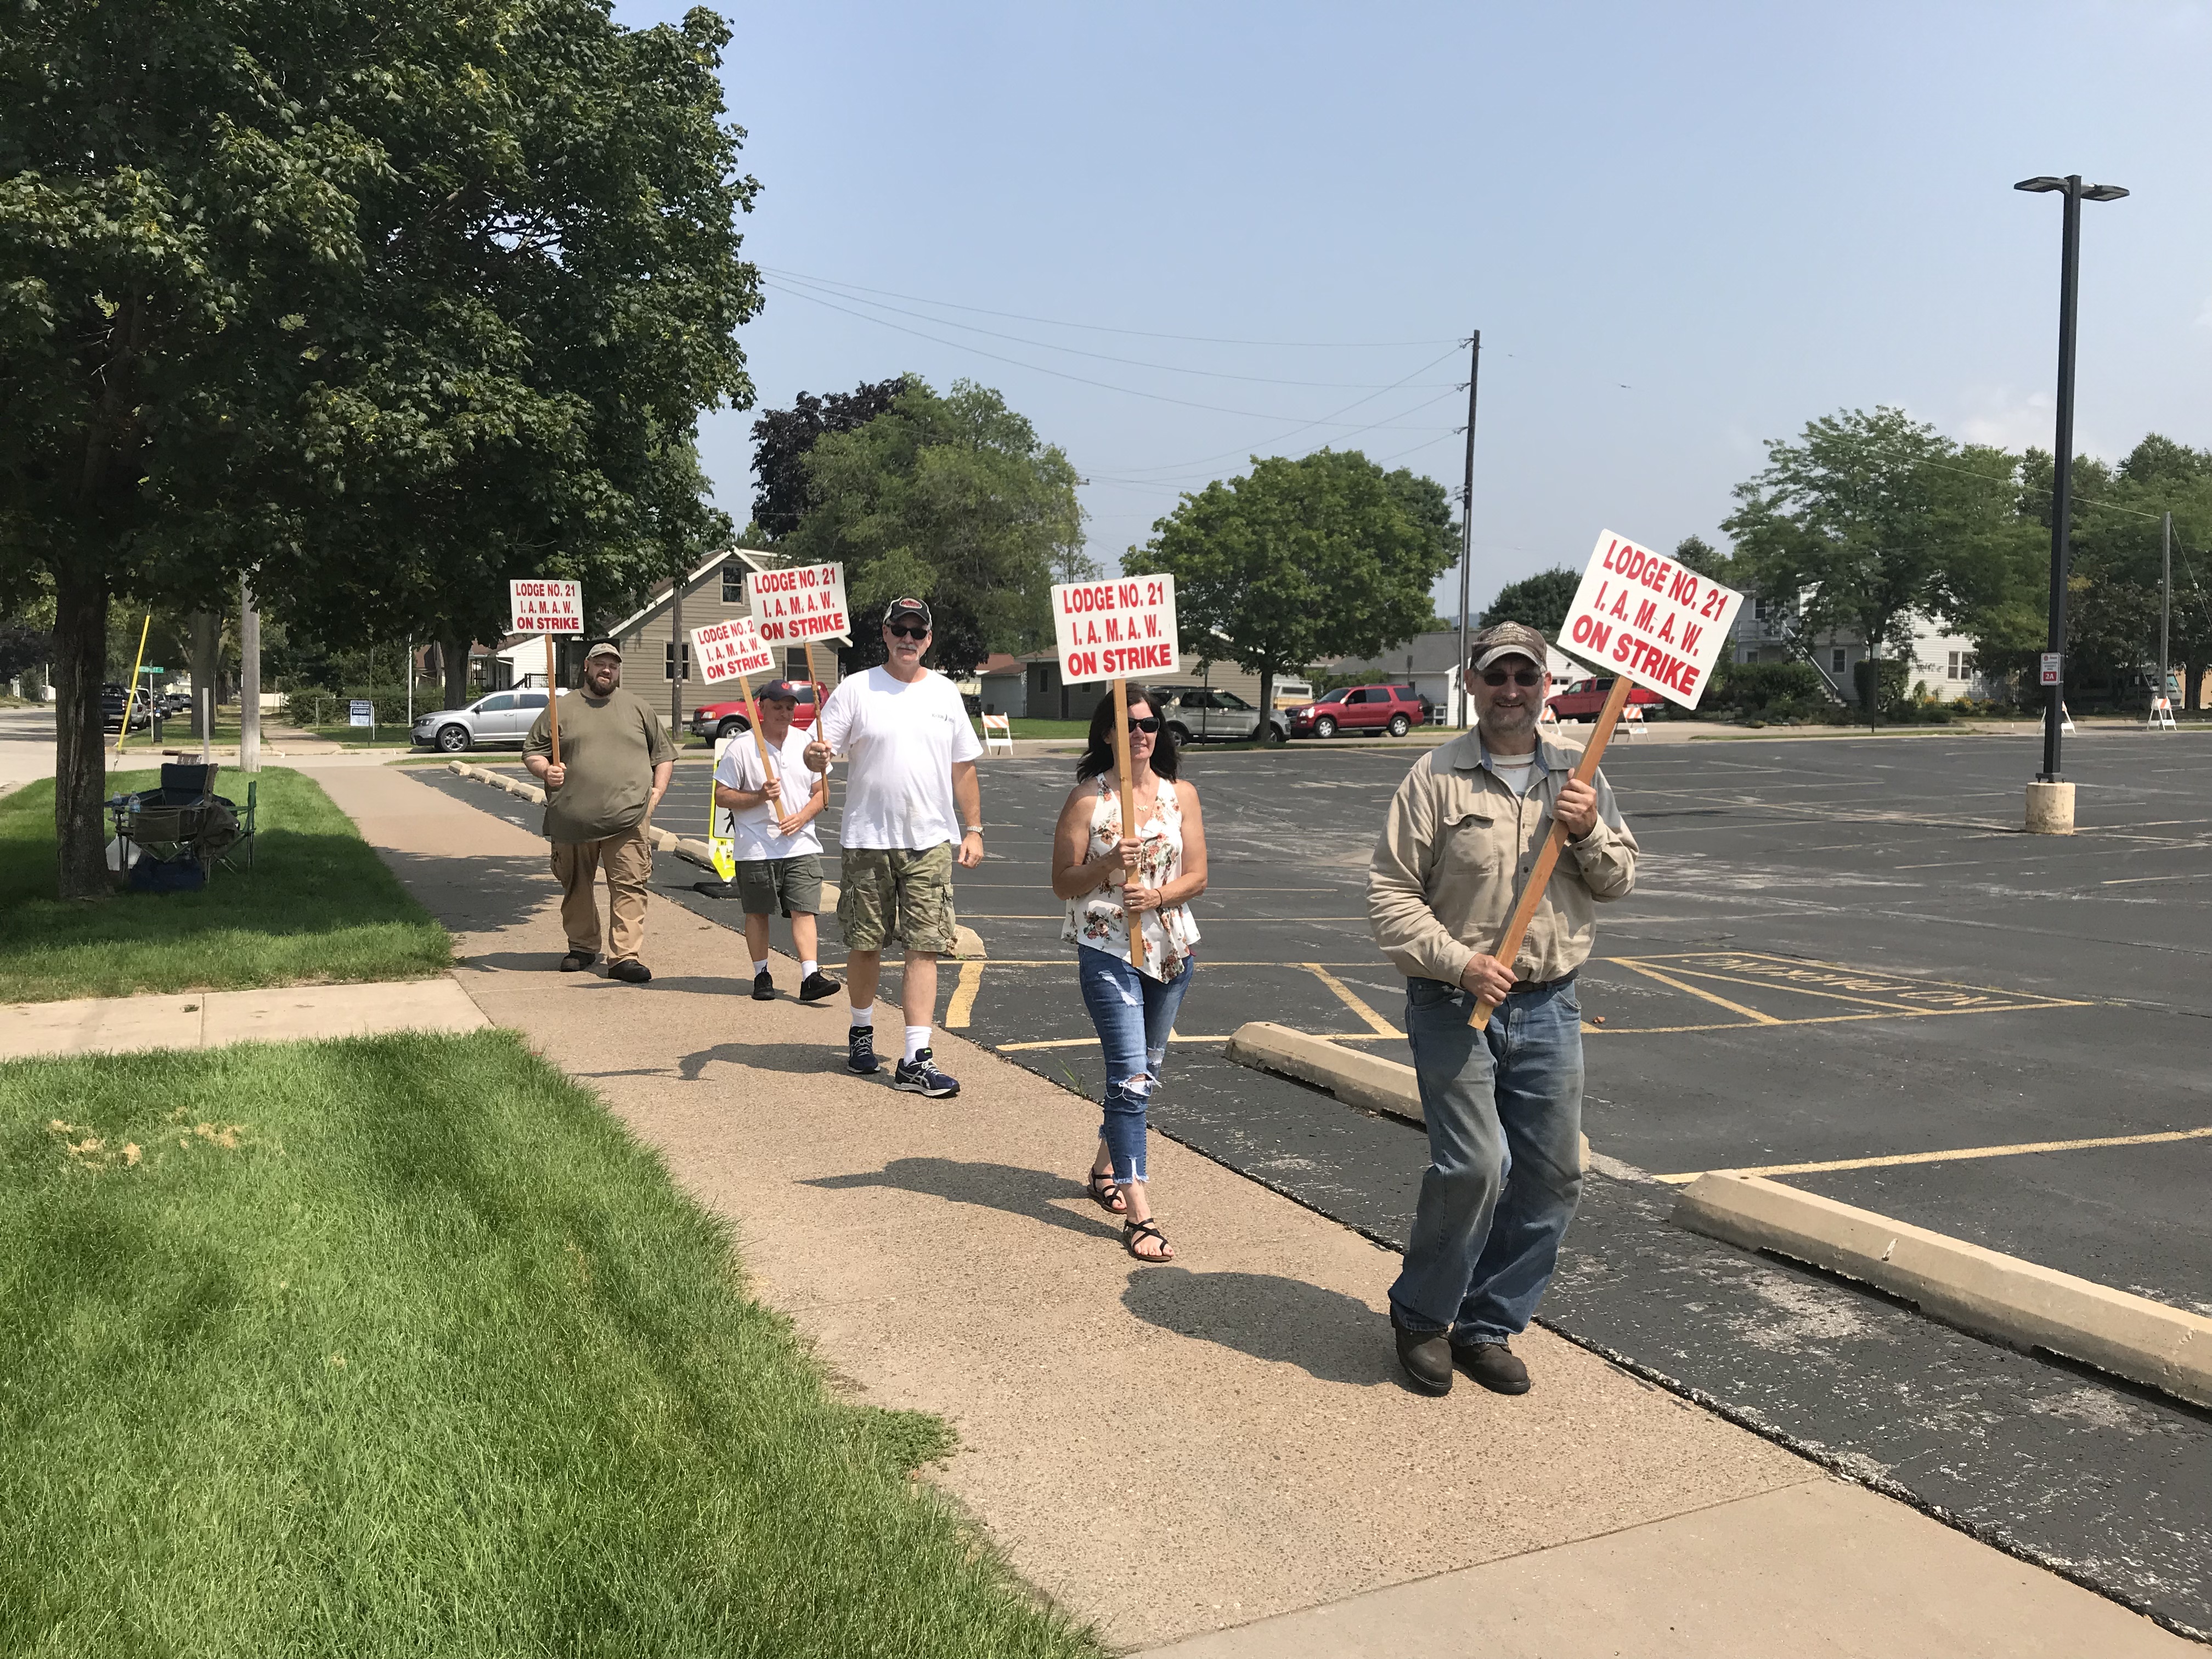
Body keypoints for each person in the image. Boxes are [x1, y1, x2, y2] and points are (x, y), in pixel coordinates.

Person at [1366, 621, 1639, 1396]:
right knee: (1477, 1166)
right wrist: (1461, 963)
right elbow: (1390, 897)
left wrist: (1587, 832)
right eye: (1497, 676)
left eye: (1526, 676)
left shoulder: (1578, 778)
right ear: (1474, 683)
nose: (1512, 690)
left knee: (1554, 1174)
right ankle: (1421, 1315)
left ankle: (1487, 1324)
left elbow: (1618, 880)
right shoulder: (1434, 778)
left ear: (1546, 684)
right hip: (1456, 1005)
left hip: (1550, 1006)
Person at [1049, 688, 1207, 1261]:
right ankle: (1140, 1213)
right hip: (1107, 948)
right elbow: (1063, 883)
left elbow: (1199, 877)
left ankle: (1103, 1170)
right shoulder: (1088, 801)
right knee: (1130, 1078)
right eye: (1129, 724)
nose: (1141, 733)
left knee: (1149, 1068)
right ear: (1108, 734)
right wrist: (1111, 863)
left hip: (1171, 952)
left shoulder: (1180, 795)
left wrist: (1158, 893)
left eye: (1150, 724)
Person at [803, 598, 983, 1096]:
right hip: (868, 839)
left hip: (929, 841)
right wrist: (814, 754)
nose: (908, 638)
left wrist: (974, 829)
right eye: (899, 629)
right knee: (865, 944)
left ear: (929, 638)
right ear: (884, 633)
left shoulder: (946, 693)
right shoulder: (856, 689)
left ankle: (915, 1057)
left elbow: (963, 766)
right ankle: (861, 1031)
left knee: (925, 945)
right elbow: (821, 753)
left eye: (917, 631)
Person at [524, 638, 676, 984]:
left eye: (613, 665)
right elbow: (533, 752)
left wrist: (656, 794)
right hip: (572, 818)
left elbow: (663, 755)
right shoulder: (560, 708)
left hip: (629, 819)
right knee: (576, 884)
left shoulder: (638, 708)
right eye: (600, 664)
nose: (607, 670)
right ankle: (582, 947)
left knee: (629, 885)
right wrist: (544, 770)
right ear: (587, 668)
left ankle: (624, 956)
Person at [711, 680, 841, 1005]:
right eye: (778, 706)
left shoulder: (808, 743)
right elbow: (721, 794)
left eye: (790, 707)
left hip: (801, 845)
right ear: (762, 708)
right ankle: (762, 974)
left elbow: (822, 791)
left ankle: (810, 976)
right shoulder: (742, 746)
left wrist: (802, 817)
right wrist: (758, 796)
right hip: (756, 846)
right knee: (758, 912)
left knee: (804, 910)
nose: (785, 713)